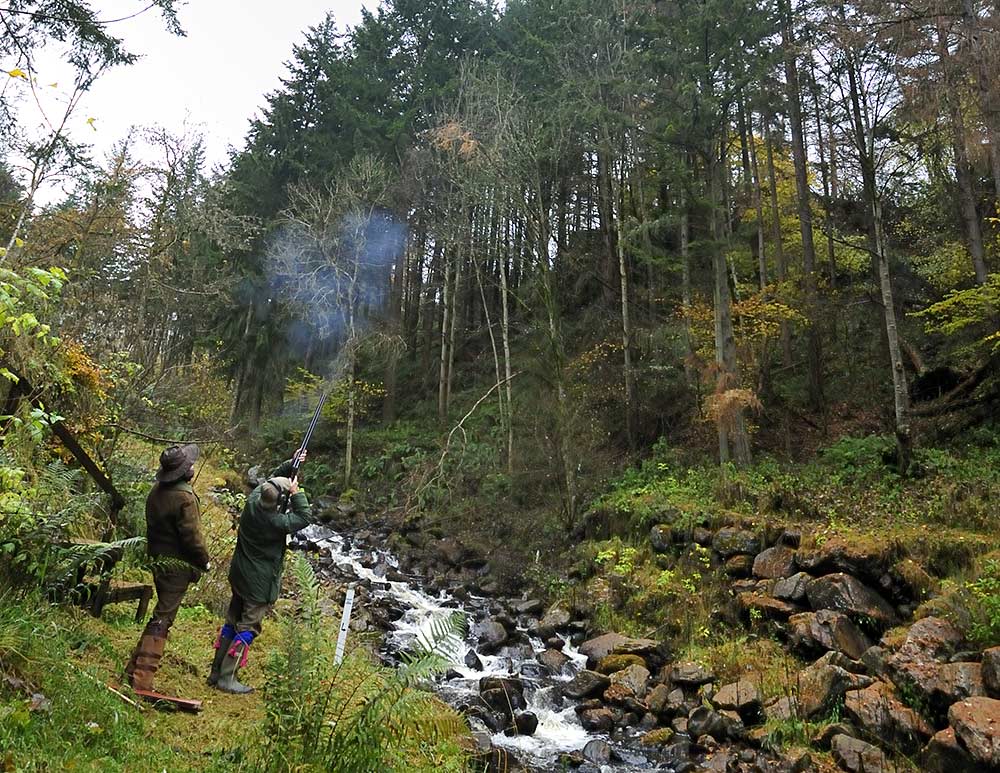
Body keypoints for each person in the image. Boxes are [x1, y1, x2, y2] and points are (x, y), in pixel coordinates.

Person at [211, 450, 328, 694]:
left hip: (240, 575)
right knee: (248, 627)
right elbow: (304, 516)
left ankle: (215, 672)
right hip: (257, 583)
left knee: (233, 619)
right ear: (278, 504)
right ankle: (227, 677)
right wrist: (297, 494)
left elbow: (272, 480)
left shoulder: (254, 500)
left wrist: (292, 463)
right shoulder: (276, 523)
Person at [125, 443, 211, 692]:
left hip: (159, 561)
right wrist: (204, 560)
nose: (193, 467)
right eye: (190, 465)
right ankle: (142, 680)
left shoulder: (157, 492)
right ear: (183, 471)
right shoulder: (184, 497)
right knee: (163, 618)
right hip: (176, 567)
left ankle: (133, 669)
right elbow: (192, 536)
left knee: (160, 615)